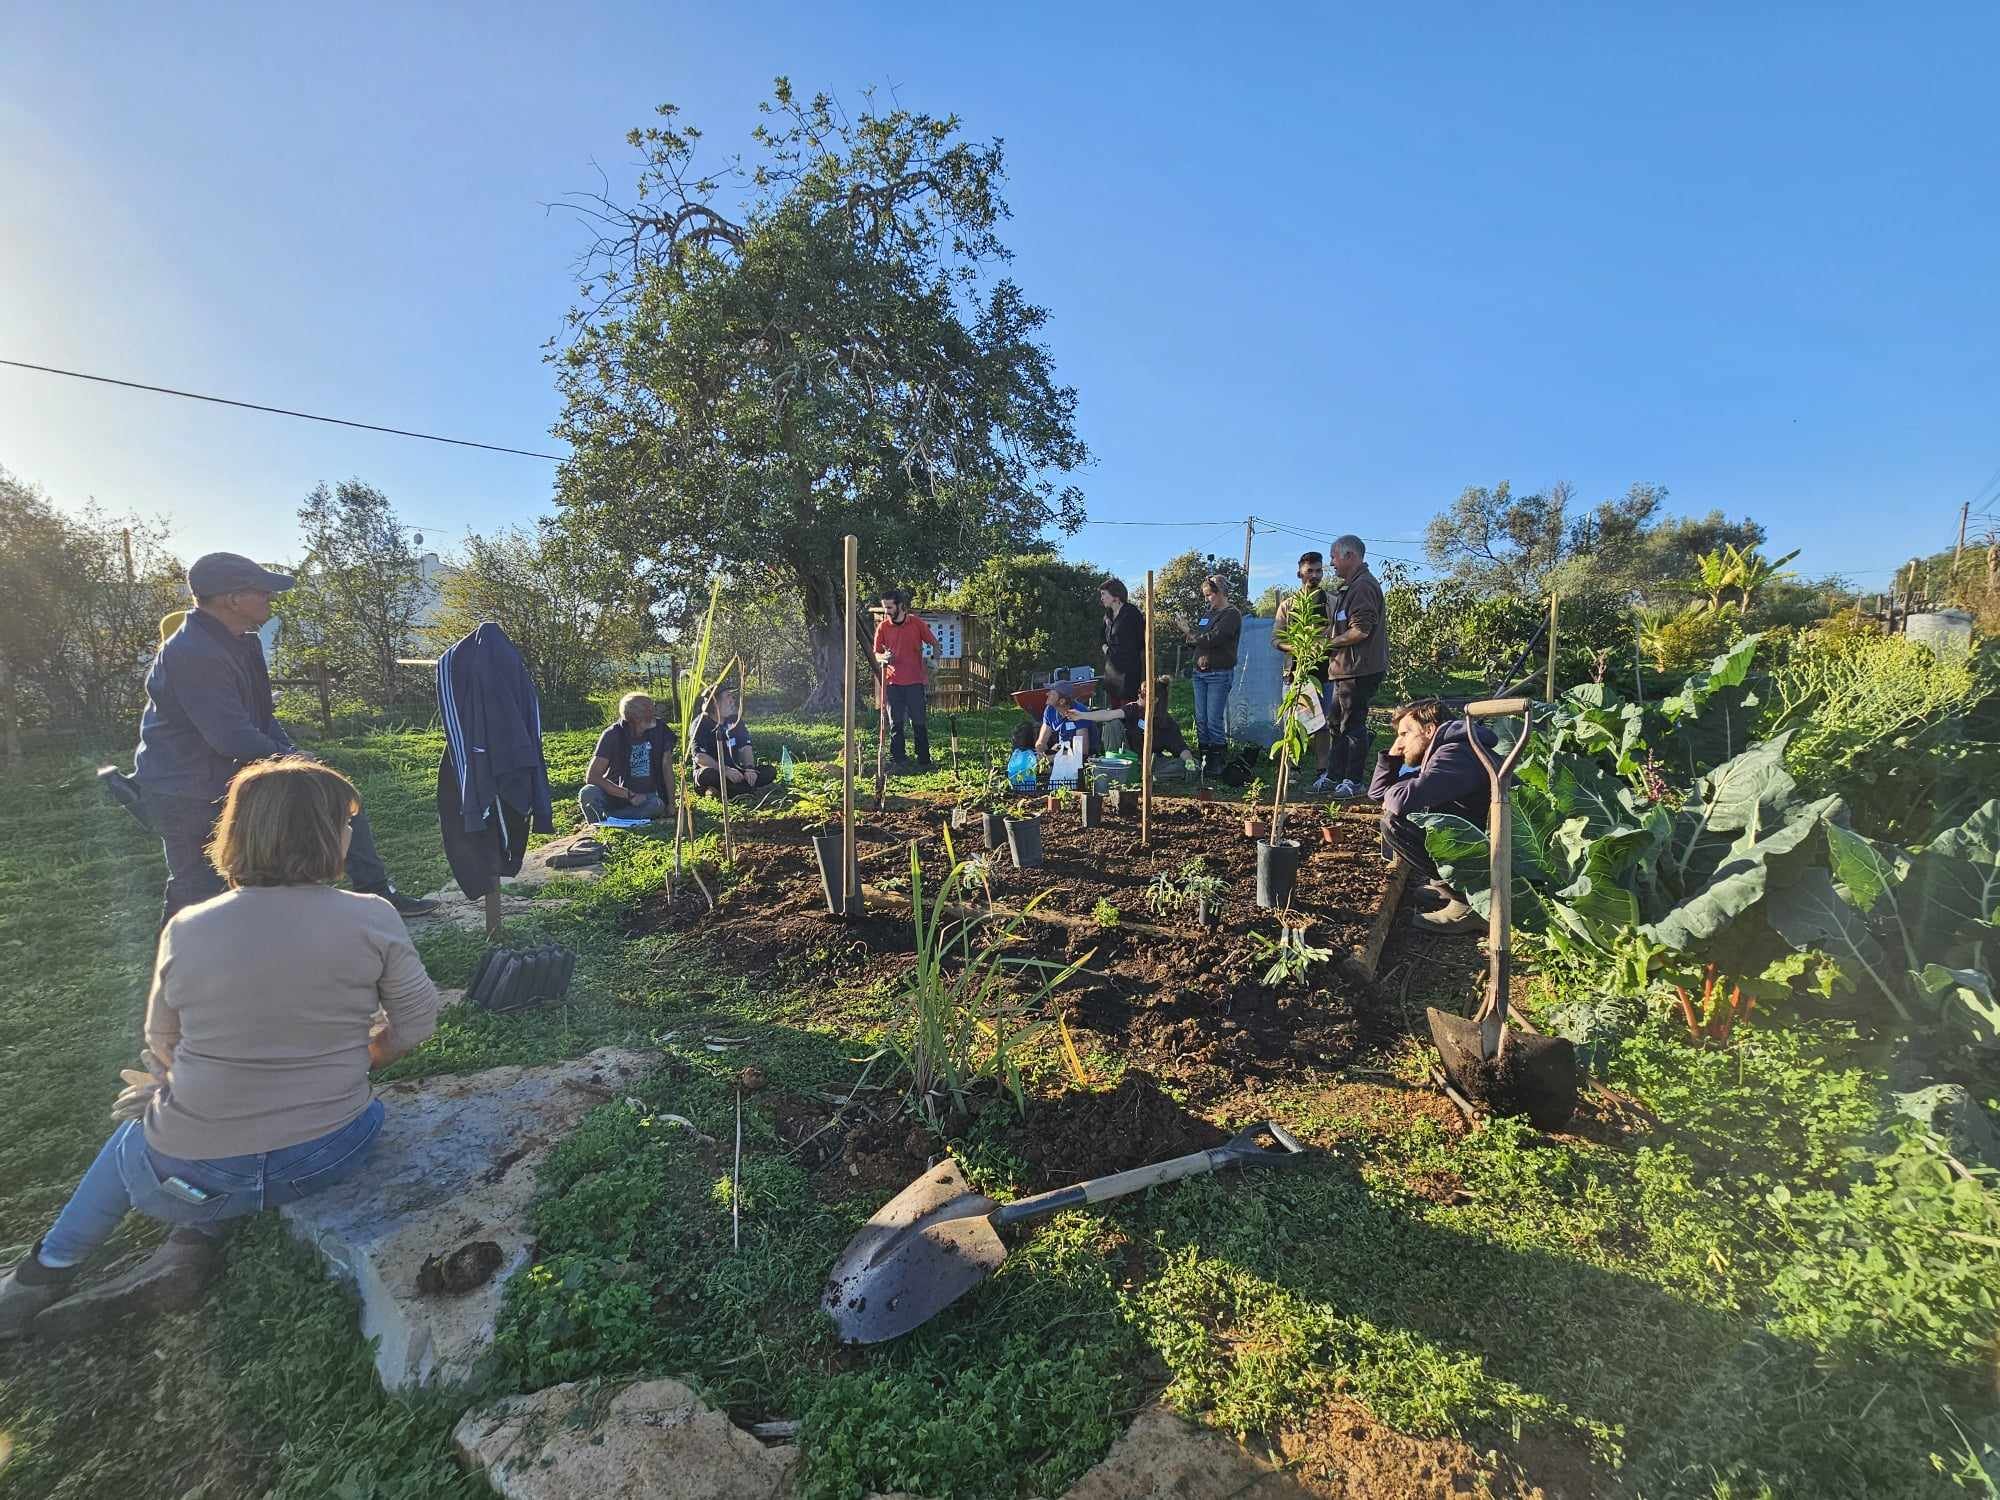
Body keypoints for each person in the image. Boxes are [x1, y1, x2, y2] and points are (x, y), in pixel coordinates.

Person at [0, 758, 441, 1340]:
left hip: (193, 1167)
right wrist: (364, 1057)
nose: (351, 833)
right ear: (319, 834)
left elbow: (162, 1047)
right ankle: (189, 1244)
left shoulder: (187, 927)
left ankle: (46, 1270)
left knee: (144, 1131)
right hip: (329, 1153)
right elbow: (417, 1024)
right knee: (356, 1115)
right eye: (344, 822)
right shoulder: (371, 916)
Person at [132, 553, 434, 925]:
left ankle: (376, 894)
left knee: (341, 800)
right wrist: (290, 760)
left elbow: (262, 717)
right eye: (262, 592)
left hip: (230, 771)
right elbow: (231, 737)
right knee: (198, 886)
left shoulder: (243, 642)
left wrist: (295, 756)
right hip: (185, 788)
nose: (270, 599)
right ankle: (176, 968)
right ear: (232, 599)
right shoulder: (193, 653)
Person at [1368, 699, 1492, 933]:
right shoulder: (1445, 750)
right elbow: (1377, 794)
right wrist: (1392, 757)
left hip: (1495, 853)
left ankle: (1473, 903)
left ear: (1429, 730)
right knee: (1401, 814)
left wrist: (1396, 795)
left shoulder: (1456, 754)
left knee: (1396, 823)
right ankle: (1453, 885)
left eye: (1405, 734)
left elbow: (1400, 801)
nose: (1400, 743)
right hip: (1477, 841)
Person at [1322, 534, 1389, 798]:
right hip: (1345, 668)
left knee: (1353, 724)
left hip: (1359, 668)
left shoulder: (1362, 586)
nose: (1332, 563)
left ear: (1350, 556)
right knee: (1336, 723)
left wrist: (1328, 645)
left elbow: (1360, 630)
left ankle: (1353, 780)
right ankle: (1334, 776)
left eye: (1334, 557)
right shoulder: (1350, 587)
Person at [1272, 551, 1333, 787]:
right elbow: (1276, 639)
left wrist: (1323, 643)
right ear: (1300, 573)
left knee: (1323, 723)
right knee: (1294, 722)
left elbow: (1338, 634)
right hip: (1295, 672)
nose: (1314, 576)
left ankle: (1322, 769)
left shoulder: (1332, 601)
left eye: (1318, 571)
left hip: (1325, 672)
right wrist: (1298, 647)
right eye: (1310, 571)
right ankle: (1293, 768)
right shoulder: (1289, 605)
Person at [580, 692, 676, 823]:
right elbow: (592, 776)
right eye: (650, 709)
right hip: (616, 796)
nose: (655, 712)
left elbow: (667, 767)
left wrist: (671, 804)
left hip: (648, 798)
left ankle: (611, 821)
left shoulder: (661, 730)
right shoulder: (611, 735)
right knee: (587, 793)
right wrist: (628, 795)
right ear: (636, 718)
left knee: (656, 805)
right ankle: (613, 821)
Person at [873, 589, 939, 772]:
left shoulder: (916, 623)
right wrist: (884, 657)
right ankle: (898, 760)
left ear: (900, 605)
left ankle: (924, 760)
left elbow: (934, 643)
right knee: (896, 723)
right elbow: (876, 653)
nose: (886, 611)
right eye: (884, 607)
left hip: (915, 681)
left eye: (890, 607)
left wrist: (934, 660)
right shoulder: (883, 627)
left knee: (918, 721)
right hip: (893, 682)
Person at [1181, 573, 1241, 775]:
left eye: (1209, 595)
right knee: (1201, 717)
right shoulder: (1208, 614)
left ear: (1220, 592)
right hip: (1200, 672)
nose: (1207, 599)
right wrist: (1190, 636)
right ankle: (1204, 755)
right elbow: (1196, 639)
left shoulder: (1231, 614)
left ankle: (1218, 759)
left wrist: (1191, 633)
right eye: (1205, 595)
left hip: (1219, 673)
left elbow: (1213, 638)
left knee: (1214, 718)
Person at [690, 684, 776, 794]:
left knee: (769, 771)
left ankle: (727, 790)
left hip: (736, 772)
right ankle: (741, 789)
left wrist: (749, 769)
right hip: (716, 772)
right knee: (706, 775)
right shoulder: (700, 724)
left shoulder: (735, 720)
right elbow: (699, 757)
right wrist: (724, 770)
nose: (732, 701)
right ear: (715, 703)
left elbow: (745, 747)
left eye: (732, 697)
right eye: (728, 697)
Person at [1099, 578, 1146, 707]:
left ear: (1115, 595)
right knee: (1114, 711)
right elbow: (1101, 636)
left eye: (1104, 594)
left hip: (1129, 671)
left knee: (1128, 710)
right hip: (1112, 671)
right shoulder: (1107, 615)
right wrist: (1106, 649)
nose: (1101, 598)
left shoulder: (1131, 613)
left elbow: (1141, 640)